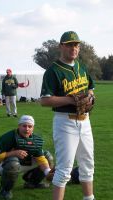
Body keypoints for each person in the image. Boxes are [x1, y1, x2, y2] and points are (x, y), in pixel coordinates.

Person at [40, 31, 95, 200]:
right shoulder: (53, 71)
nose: (74, 48)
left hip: (85, 122)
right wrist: (71, 100)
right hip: (65, 123)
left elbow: (91, 88)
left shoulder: (82, 67)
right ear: (61, 46)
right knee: (64, 170)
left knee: (87, 166)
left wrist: (90, 97)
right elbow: (44, 101)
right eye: (70, 44)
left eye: (76, 45)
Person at [0, 115, 54, 199]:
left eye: (30, 126)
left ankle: (32, 183)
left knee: (47, 156)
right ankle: (5, 189)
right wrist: (13, 153)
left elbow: (40, 158)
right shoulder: (8, 137)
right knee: (13, 163)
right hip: (5, 165)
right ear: (19, 126)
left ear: (33, 128)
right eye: (24, 126)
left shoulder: (36, 140)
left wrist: (48, 172)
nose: (27, 129)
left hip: (25, 163)